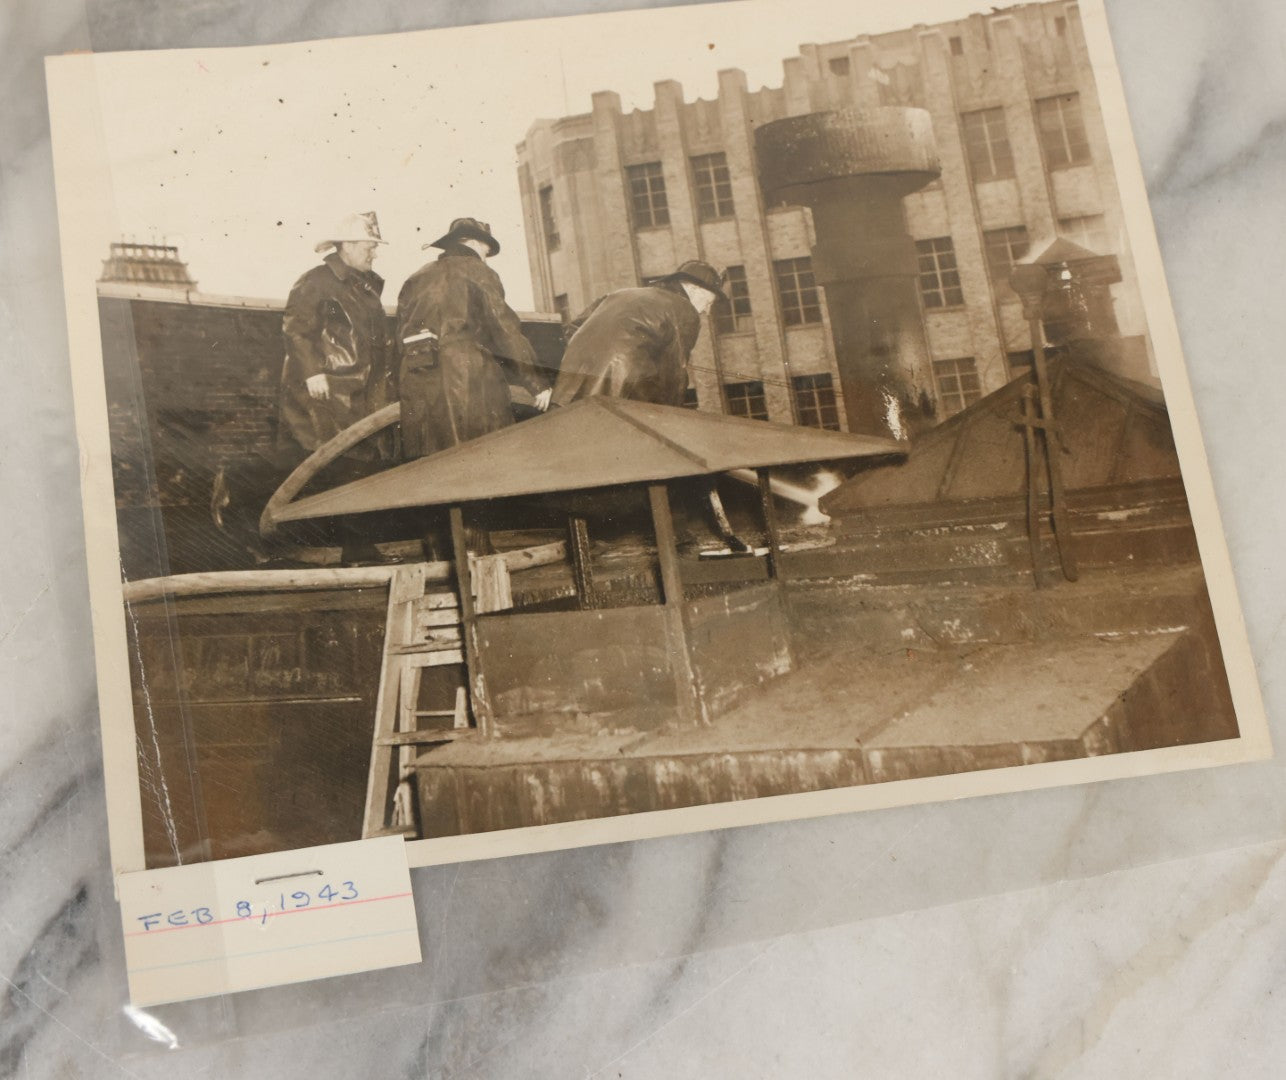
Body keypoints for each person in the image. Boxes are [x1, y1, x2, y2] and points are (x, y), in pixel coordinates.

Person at [273, 210, 395, 562]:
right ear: (348, 246)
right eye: (370, 246)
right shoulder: (315, 282)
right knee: (341, 464)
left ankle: (356, 546)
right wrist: (312, 372)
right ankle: (353, 547)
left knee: (359, 464)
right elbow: (296, 330)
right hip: (329, 393)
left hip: (360, 393)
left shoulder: (364, 286)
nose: (374, 253)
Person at [396, 216, 551, 459]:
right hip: (467, 380)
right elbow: (505, 330)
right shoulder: (478, 271)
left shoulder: (415, 278)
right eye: (486, 251)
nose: (485, 258)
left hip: (418, 383)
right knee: (483, 461)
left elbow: (400, 337)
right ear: (475, 244)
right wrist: (537, 384)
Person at [551, 259, 726, 408]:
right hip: (620, 392)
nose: (707, 311)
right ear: (693, 289)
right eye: (709, 302)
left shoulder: (621, 294)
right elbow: (674, 374)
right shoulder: (685, 310)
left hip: (568, 386)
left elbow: (569, 331)